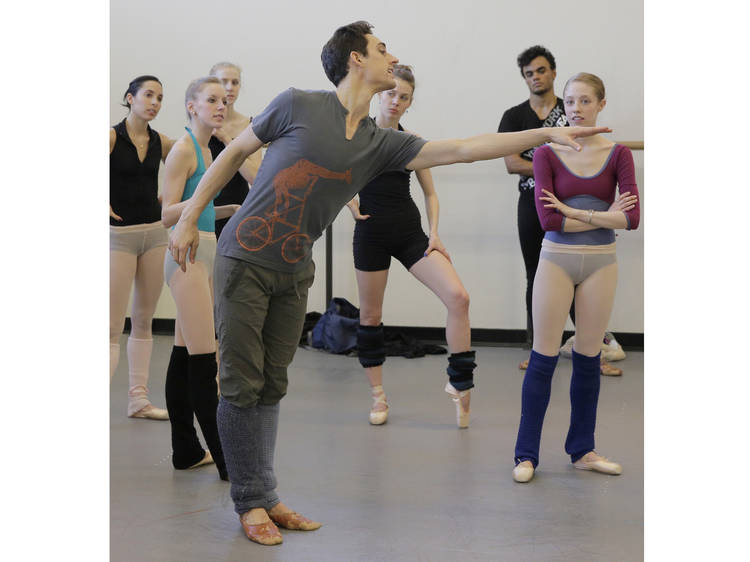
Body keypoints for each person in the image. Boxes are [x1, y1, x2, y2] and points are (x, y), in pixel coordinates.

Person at [167, 21, 608, 546]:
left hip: (293, 268)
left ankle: (266, 492)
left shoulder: (379, 144)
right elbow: (235, 152)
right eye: (381, 49)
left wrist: (546, 134)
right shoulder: (298, 104)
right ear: (356, 60)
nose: (390, 55)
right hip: (244, 257)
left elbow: (465, 148)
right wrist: (191, 214)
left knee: (272, 383)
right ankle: (249, 502)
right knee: (242, 382)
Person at [511, 72, 640, 484]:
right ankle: (526, 454)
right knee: (543, 357)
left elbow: (633, 218)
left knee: (589, 358)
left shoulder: (619, 154)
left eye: (585, 101)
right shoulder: (548, 153)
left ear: (601, 104)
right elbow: (547, 219)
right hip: (556, 261)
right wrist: (604, 216)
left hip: (602, 262)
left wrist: (575, 213)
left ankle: (582, 450)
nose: (577, 108)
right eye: (570, 102)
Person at [345, 64, 472, 428]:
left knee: (458, 297)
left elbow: (431, 193)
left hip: (409, 234)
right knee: (370, 316)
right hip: (370, 234)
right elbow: (334, 177)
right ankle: (378, 396)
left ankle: (460, 382)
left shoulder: (410, 140)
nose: (396, 101)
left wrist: (434, 233)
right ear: (379, 93)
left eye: (404, 98)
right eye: (392, 94)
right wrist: (348, 200)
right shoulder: (355, 135)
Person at [498, 46, 623, 375]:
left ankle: (590, 349)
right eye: (529, 73)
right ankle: (537, 347)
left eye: (541, 70)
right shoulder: (515, 116)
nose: (535, 77)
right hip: (532, 203)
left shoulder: (570, 110)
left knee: (582, 276)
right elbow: (512, 163)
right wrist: (547, 174)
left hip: (576, 201)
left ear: (553, 73)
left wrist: (560, 174)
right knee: (536, 274)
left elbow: (588, 159)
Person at [160, 76, 241, 480]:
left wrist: (227, 209)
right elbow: (167, 213)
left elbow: (201, 211)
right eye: (211, 100)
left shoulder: (210, 150)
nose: (220, 106)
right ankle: (228, 463)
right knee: (204, 361)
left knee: (182, 355)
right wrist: (206, 197)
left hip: (205, 249)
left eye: (224, 101)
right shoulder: (183, 151)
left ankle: (186, 451)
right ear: (191, 106)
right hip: (186, 256)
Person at [110, 75, 175, 419]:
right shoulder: (110, 137)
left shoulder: (160, 141)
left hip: (153, 235)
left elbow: (194, 161)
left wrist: (172, 197)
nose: (154, 102)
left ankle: (139, 399)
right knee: (110, 326)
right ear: (130, 97)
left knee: (143, 319)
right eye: (148, 95)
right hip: (118, 237)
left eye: (160, 97)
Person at [208, 62, 262, 240]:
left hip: (239, 210)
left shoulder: (250, 126)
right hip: (207, 210)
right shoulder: (203, 125)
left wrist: (227, 141)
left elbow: (255, 178)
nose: (230, 88)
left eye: (235, 82)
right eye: (224, 82)